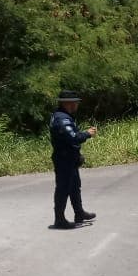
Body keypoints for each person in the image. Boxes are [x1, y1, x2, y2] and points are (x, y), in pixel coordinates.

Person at [48, 89, 97, 230]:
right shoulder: (62, 119)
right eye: (75, 102)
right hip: (64, 159)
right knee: (63, 188)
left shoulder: (63, 116)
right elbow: (73, 137)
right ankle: (59, 220)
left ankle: (79, 213)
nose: (77, 105)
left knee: (75, 186)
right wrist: (87, 134)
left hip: (69, 157)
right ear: (68, 103)